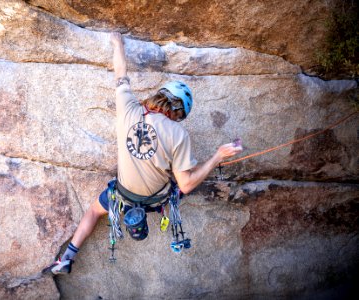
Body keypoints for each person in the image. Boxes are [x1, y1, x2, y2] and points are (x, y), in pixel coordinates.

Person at [43, 32, 243, 275]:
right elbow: (187, 185)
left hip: (123, 196)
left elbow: (120, 73)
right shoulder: (179, 134)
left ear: (160, 95)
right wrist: (218, 156)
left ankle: (67, 258)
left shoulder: (128, 108)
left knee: (95, 210)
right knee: (183, 178)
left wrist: (117, 42)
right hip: (157, 201)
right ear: (178, 112)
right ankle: (163, 209)